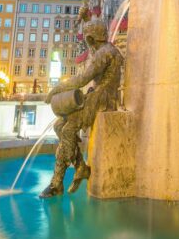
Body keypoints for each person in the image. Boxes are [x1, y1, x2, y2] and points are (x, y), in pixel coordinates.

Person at [39, 17, 123, 198]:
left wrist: (57, 89)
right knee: (58, 126)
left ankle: (57, 183)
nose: (88, 44)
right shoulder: (109, 50)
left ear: (92, 38)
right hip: (99, 96)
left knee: (67, 129)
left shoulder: (104, 52)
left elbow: (83, 79)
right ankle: (80, 167)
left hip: (102, 100)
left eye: (88, 39)